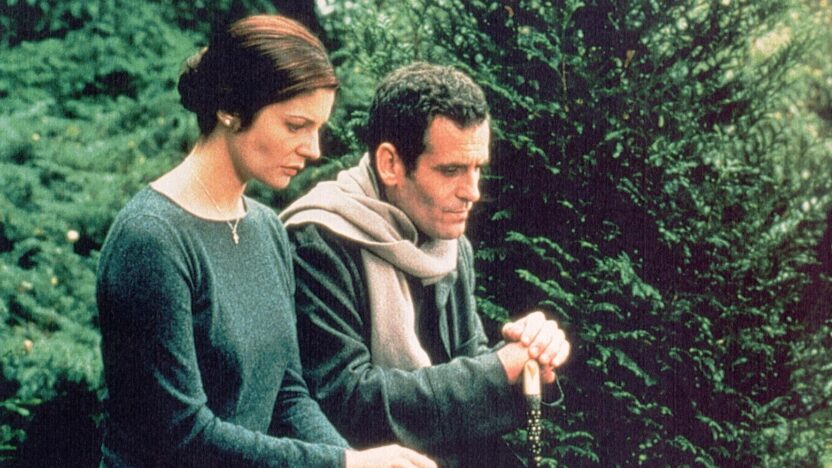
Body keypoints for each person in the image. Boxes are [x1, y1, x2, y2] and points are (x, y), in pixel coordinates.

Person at [96, 15, 435, 467]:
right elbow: (183, 435)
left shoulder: (266, 228)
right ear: (230, 109)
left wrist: (354, 460)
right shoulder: (151, 239)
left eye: (318, 128)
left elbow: (288, 396)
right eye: (296, 126)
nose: (313, 149)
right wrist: (344, 465)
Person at [280, 62, 571, 467]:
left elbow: (470, 372)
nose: (472, 191)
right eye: (451, 171)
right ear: (390, 164)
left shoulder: (450, 244)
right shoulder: (318, 243)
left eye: (477, 169)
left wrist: (531, 358)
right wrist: (497, 369)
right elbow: (346, 401)